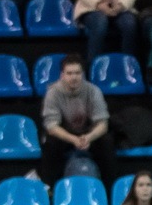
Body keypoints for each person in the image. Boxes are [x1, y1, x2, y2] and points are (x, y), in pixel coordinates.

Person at [40, 54, 114, 185]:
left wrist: (89, 137)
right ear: (62, 75)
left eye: (77, 73)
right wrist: (74, 139)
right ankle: (50, 187)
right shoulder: (53, 93)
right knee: (50, 142)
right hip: (65, 135)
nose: (74, 77)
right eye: (69, 73)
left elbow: (103, 124)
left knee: (107, 140)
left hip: (88, 134)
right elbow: (51, 126)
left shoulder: (93, 91)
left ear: (83, 74)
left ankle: (108, 187)